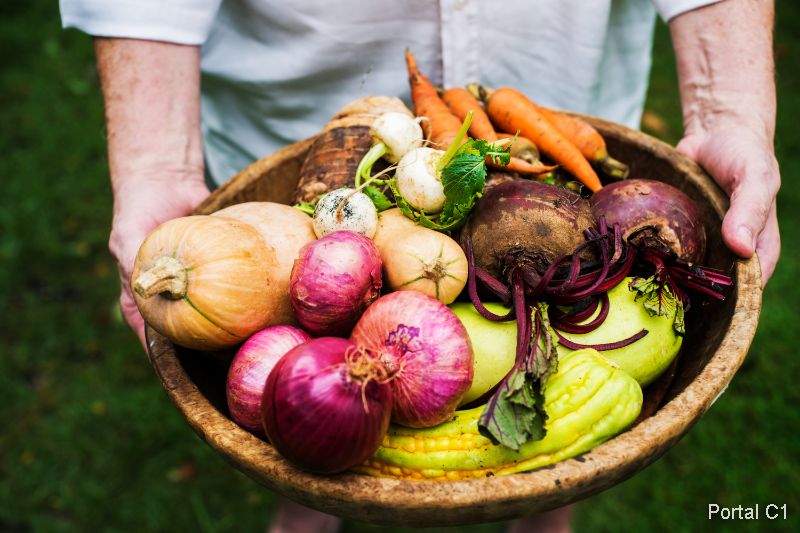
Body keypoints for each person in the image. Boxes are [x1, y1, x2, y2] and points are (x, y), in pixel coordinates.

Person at [60, 0, 780, 531]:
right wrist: (156, 160)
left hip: (561, 119)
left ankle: (545, 508)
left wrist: (728, 110)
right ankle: (303, 491)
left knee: (540, 419)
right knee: (288, 347)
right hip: (313, 140)